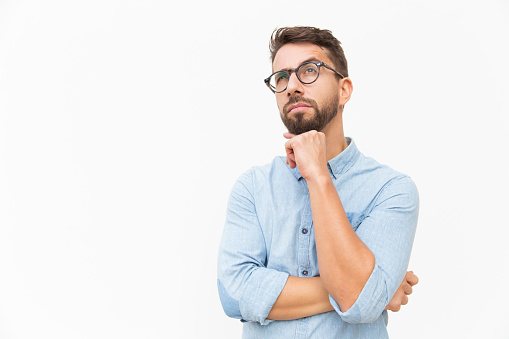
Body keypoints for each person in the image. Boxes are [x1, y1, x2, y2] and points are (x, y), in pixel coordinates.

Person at [217, 26, 419, 338]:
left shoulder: (391, 190)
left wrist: (319, 176)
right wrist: (374, 289)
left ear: (344, 90)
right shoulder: (253, 187)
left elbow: (361, 304)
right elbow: (234, 294)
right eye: (281, 77)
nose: (292, 86)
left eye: (309, 70)